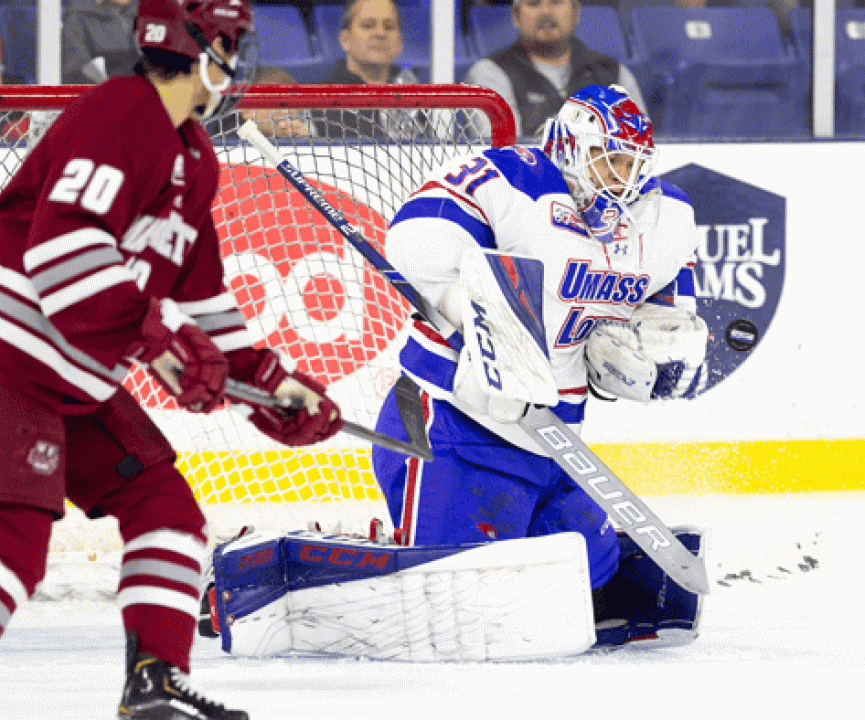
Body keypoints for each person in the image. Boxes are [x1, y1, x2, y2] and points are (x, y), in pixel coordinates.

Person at [196, 85, 708, 658]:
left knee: (592, 571)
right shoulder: (513, 179)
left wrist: (649, 353)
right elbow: (415, 236)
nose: (619, 179)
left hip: (554, 439)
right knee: (452, 593)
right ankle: (271, 562)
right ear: (567, 145)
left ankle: (406, 542)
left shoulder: (663, 219)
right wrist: (474, 310)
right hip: (453, 423)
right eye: (606, 158)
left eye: (631, 164)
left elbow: (669, 315)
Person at [0, 0, 345, 717]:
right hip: (12, 356)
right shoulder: (121, 112)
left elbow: (204, 300)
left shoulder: (194, 155)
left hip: (71, 376)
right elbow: (60, 247)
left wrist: (270, 386)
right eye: (231, 42)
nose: (237, 57)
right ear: (202, 43)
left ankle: (153, 684)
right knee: (15, 544)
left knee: (166, 507)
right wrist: (149, 338)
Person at [463, 0, 646, 139]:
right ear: (515, 16)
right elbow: (503, 157)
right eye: (534, 3)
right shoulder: (488, 74)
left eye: (556, 1)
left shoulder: (612, 72)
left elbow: (641, 145)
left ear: (576, 12)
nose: (546, 12)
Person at [313, 0, 431, 140]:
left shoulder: (420, 98)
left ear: (399, 41)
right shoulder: (316, 99)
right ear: (345, 39)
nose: (380, 33)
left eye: (389, 27)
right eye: (368, 25)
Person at [61, 0, 141, 84]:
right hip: (99, 90)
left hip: (140, 90)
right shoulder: (77, 16)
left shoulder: (143, 13)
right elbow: (76, 66)